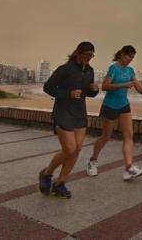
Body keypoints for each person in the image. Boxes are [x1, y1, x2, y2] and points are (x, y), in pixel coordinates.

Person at [38, 41, 99, 198]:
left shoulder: (90, 71)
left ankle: (60, 183)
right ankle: (46, 173)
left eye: (91, 55)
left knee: (77, 149)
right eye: (86, 55)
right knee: (69, 150)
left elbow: (88, 92)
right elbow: (48, 87)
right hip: (63, 112)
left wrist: (95, 90)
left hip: (80, 113)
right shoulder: (65, 69)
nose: (89, 58)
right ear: (78, 53)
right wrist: (68, 94)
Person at [87, 45, 142, 180]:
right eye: (129, 56)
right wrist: (123, 85)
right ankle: (92, 161)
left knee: (129, 135)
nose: (131, 60)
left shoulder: (130, 70)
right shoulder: (114, 68)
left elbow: (136, 84)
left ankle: (128, 168)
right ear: (123, 54)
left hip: (124, 105)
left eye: (133, 58)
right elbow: (105, 87)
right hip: (109, 106)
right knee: (106, 137)